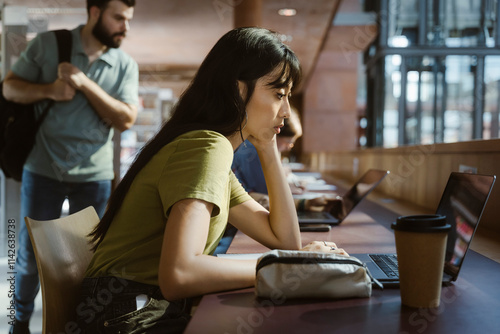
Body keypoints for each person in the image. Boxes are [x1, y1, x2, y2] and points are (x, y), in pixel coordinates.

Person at [76, 27, 347, 333]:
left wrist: (268, 148)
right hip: (126, 313)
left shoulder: (209, 148)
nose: (285, 111)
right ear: (239, 90)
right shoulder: (207, 147)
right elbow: (180, 274)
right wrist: (285, 266)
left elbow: (285, 241)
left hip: (129, 306)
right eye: (278, 94)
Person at [2, 1, 138, 333]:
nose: (125, 27)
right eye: (118, 17)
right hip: (43, 169)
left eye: (128, 20)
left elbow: (126, 119)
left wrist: (83, 82)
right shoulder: (49, 45)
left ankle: (81, 322)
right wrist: (49, 89)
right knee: (32, 254)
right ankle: (19, 319)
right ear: (95, 12)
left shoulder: (124, 64)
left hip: (95, 176)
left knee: (91, 256)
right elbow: (9, 87)